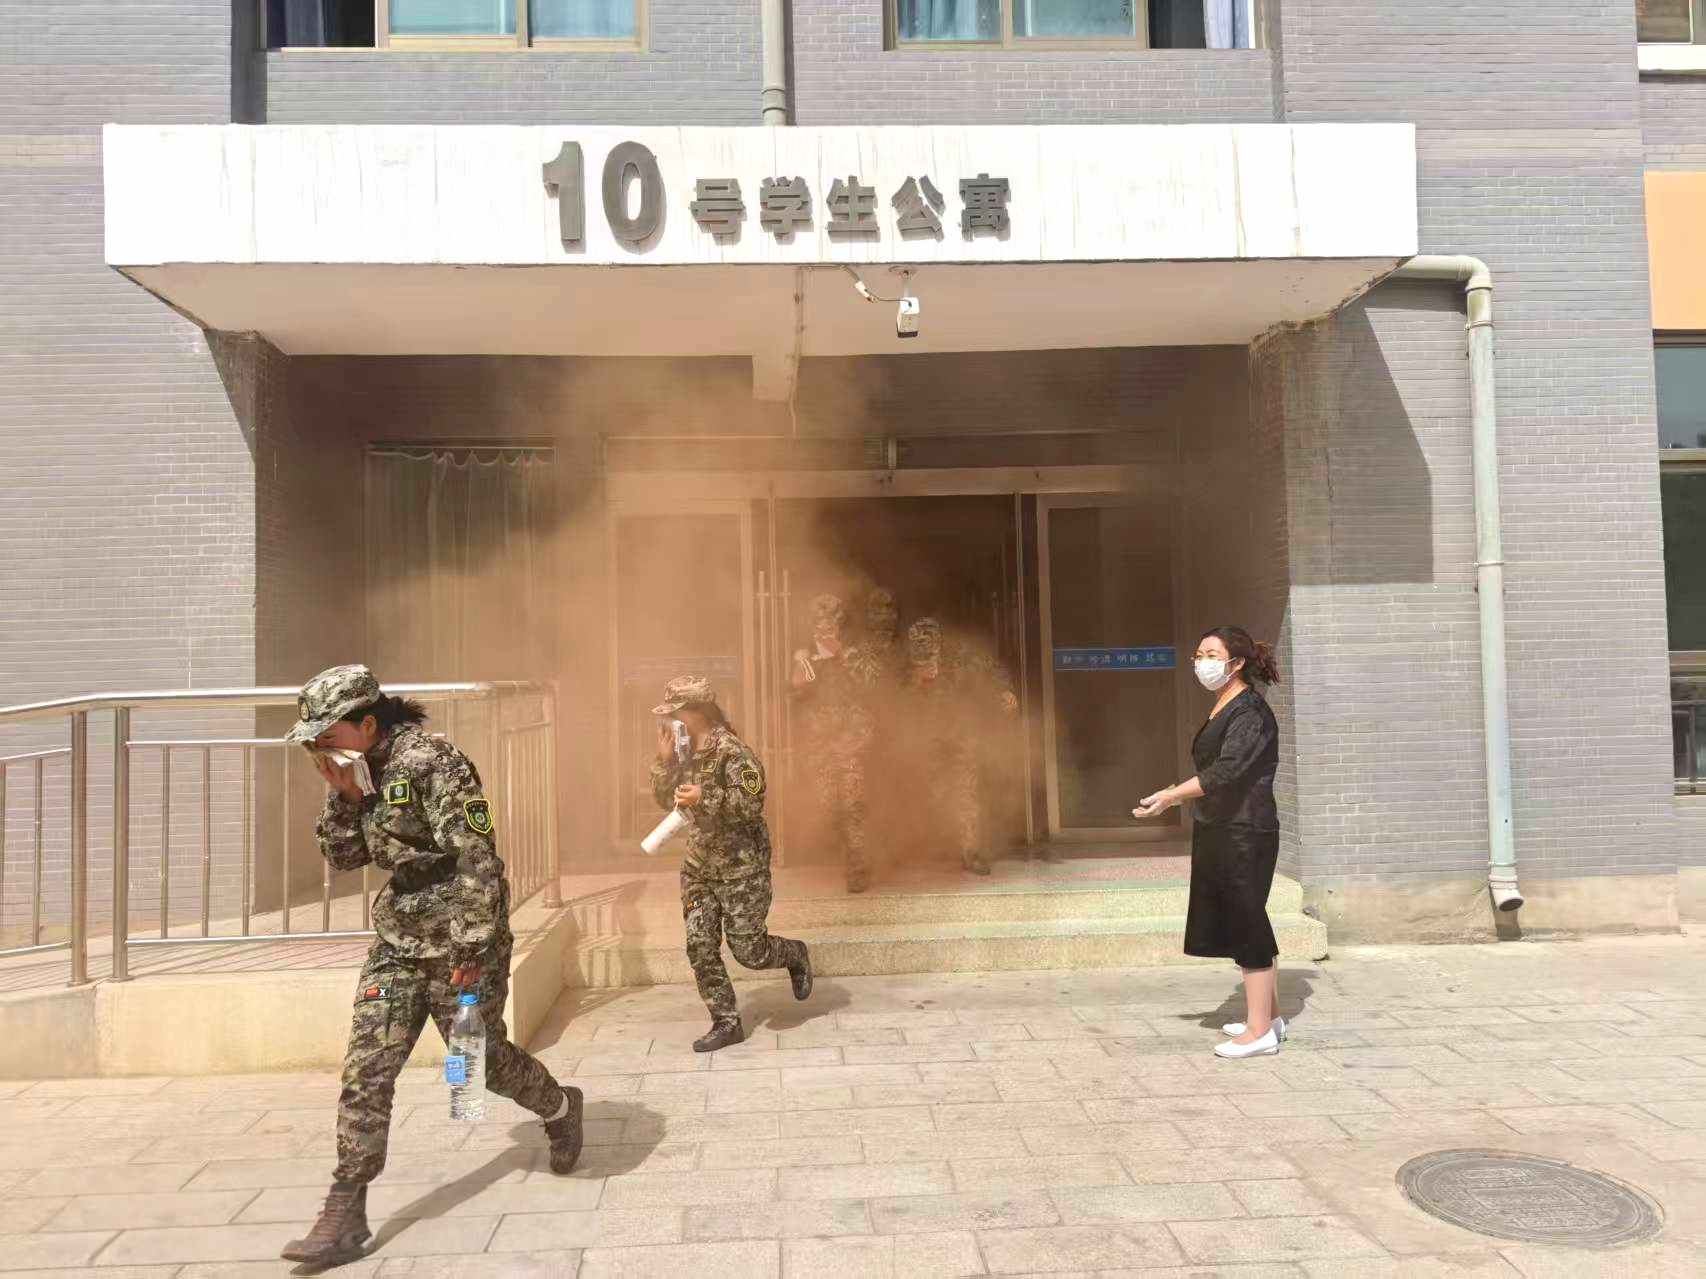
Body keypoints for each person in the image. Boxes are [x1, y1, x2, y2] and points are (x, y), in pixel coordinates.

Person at [278, 665, 584, 1266]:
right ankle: (344, 1210)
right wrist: (345, 798)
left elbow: (478, 858)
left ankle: (561, 1107)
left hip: (460, 939)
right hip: (398, 939)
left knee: (477, 1066)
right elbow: (344, 857)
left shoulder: (432, 763)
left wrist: (471, 949)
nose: (318, 748)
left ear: (368, 723)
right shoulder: (356, 771)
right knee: (366, 1069)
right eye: (312, 739)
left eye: (327, 735)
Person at [1134, 627, 1284, 1060]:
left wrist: (1172, 796)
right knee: (1242, 920)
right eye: (1199, 654)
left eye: (1212, 655)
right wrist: (1175, 793)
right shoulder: (1225, 703)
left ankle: (1259, 1033)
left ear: (1237, 663)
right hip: (1221, 826)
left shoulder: (1250, 710)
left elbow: (1228, 771)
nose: (1202, 662)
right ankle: (1269, 1018)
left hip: (1245, 830)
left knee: (1248, 922)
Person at [650, 675, 813, 1052]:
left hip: (742, 869)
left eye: (676, 712)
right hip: (699, 867)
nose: (670, 720)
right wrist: (664, 762)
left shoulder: (733, 751)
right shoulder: (683, 748)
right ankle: (726, 1022)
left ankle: (794, 954)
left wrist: (705, 795)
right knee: (700, 945)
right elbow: (664, 800)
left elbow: (750, 804)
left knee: (749, 951)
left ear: (697, 711)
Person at [905, 618, 1018, 876]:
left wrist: (1005, 691)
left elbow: (992, 668)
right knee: (930, 794)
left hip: (960, 734)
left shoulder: (962, 657)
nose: (925, 649)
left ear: (939, 641)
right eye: (918, 644)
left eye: (929, 643)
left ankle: (971, 851)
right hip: (924, 737)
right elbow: (891, 693)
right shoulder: (906, 663)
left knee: (966, 794)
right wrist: (917, 680)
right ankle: (920, 848)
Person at [792, 594, 877, 892]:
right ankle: (845, 848)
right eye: (820, 621)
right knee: (827, 804)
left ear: (842, 624)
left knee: (852, 803)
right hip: (819, 742)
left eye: (832, 621)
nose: (826, 626)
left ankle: (857, 861)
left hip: (851, 739)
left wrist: (842, 656)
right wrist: (806, 665)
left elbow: (872, 685)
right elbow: (796, 691)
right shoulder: (804, 656)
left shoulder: (856, 654)